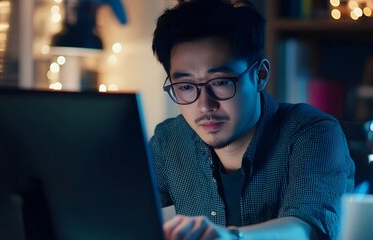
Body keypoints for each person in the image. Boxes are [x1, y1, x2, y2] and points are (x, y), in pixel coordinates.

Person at [150, 0, 355, 239]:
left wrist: (229, 237)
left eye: (220, 82)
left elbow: (304, 228)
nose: (204, 106)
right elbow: (123, 203)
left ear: (260, 75)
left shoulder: (312, 132)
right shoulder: (170, 140)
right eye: (185, 86)